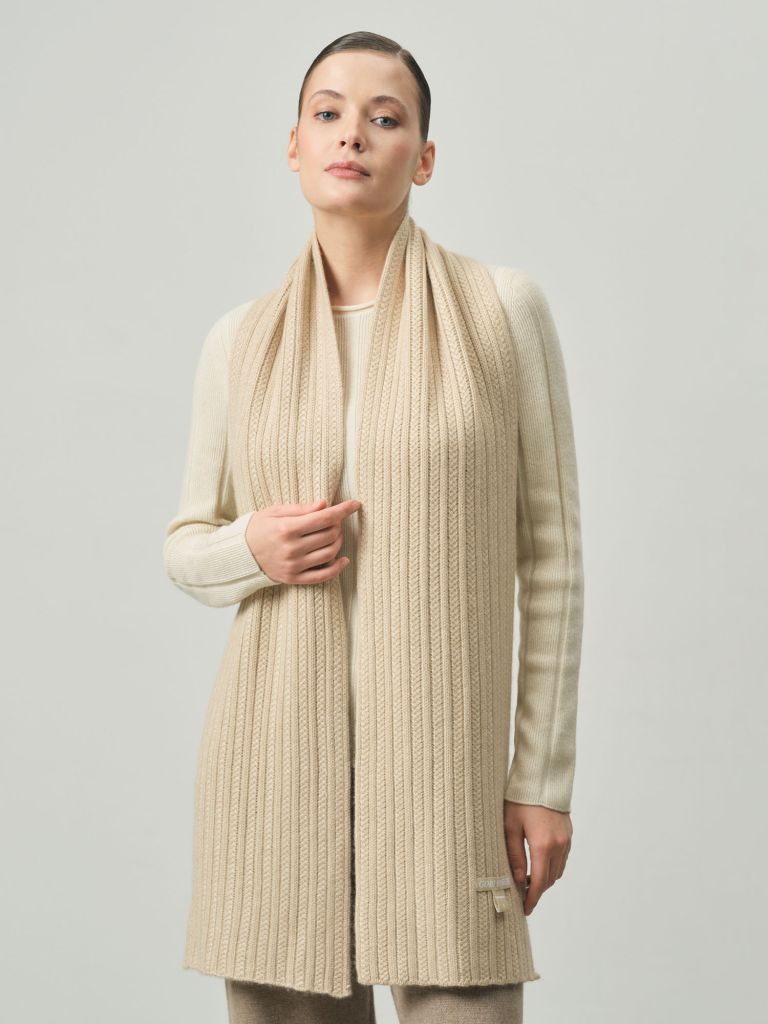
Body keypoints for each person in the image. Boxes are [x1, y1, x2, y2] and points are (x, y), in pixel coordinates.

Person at [163, 30, 584, 1024]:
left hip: (445, 776)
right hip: (274, 769)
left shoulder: (501, 312)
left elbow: (553, 558)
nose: (352, 133)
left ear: (423, 159)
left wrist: (541, 779)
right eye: (328, 112)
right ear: (295, 146)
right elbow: (185, 544)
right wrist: (251, 549)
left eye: (384, 118)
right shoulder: (240, 340)